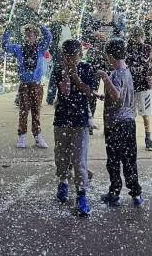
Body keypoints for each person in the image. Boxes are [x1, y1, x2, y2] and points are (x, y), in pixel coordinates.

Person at [52, 39, 99, 216]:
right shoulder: (58, 69)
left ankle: (81, 193)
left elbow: (88, 92)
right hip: (62, 119)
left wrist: (76, 76)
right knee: (61, 155)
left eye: (74, 56)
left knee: (79, 159)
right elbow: (63, 91)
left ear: (80, 55)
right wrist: (66, 73)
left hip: (80, 120)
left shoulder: (87, 69)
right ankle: (63, 182)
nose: (71, 59)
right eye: (67, 56)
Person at [98, 39, 144, 208]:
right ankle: (136, 194)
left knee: (114, 160)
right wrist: (105, 96)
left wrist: (104, 78)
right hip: (129, 122)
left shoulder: (116, 74)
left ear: (110, 56)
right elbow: (121, 95)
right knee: (130, 160)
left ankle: (114, 193)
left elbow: (117, 95)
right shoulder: (127, 72)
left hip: (116, 124)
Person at [2, 22, 53, 148]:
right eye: (26, 35)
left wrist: (40, 25)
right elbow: (5, 46)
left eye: (31, 35)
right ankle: (22, 136)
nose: (28, 38)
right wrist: (8, 30)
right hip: (25, 85)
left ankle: (37, 136)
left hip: (36, 85)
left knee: (36, 111)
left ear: (36, 36)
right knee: (24, 111)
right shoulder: (19, 49)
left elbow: (49, 37)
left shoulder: (40, 48)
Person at [82, 0, 125, 127]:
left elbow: (122, 36)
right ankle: (90, 120)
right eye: (99, 4)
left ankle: (110, 121)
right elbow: (85, 34)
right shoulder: (91, 18)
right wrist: (94, 34)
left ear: (108, 4)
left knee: (112, 89)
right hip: (95, 57)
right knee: (92, 88)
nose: (101, 7)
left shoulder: (116, 18)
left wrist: (110, 38)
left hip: (110, 58)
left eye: (104, 4)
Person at [126, 26, 152, 150]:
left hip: (139, 85)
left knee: (141, 113)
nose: (137, 39)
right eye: (135, 37)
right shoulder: (129, 48)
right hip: (135, 85)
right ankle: (142, 138)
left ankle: (146, 138)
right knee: (136, 113)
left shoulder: (145, 47)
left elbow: (150, 62)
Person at [46, 8, 73, 105]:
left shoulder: (66, 26)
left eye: (68, 16)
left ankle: (58, 96)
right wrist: (54, 52)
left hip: (66, 53)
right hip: (60, 53)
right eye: (66, 16)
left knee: (62, 74)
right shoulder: (57, 26)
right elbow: (54, 41)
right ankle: (51, 97)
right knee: (56, 74)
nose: (67, 18)